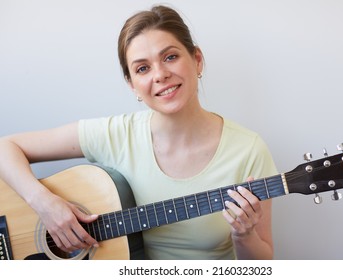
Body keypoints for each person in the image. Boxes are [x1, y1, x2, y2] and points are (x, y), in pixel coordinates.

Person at [0, 5, 277, 260]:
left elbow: (263, 265)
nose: (159, 75)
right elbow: (6, 147)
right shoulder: (115, 134)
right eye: (143, 68)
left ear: (197, 60)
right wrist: (45, 204)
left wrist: (245, 233)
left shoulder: (248, 150)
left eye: (170, 57)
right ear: (132, 84)